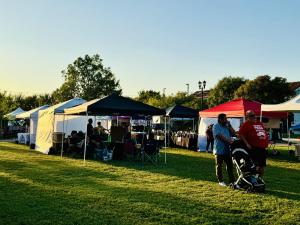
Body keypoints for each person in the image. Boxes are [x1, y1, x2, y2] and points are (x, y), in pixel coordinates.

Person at [239, 110, 268, 177]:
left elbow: (263, 132)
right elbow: (241, 134)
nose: (254, 117)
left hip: (262, 147)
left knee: (262, 165)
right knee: (255, 165)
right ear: (247, 117)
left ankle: (259, 179)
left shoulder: (259, 123)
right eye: (251, 116)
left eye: (254, 115)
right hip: (254, 147)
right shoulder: (246, 124)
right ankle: (253, 178)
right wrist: (247, 144)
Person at [213, 113, 236, 186]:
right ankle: (220, 181)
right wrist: (229, 141)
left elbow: (234, 133)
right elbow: (220, 136)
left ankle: (232, 181)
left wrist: (230, 126)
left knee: (230, 166)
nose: (226, 120)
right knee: (219, 166)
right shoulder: (216, 126)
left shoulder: (226, 126)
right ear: (220, 119)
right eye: (225, 119)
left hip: (227, 150)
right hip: (219, 149)